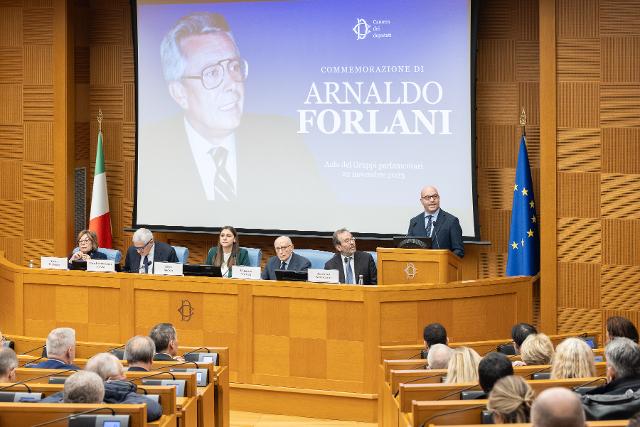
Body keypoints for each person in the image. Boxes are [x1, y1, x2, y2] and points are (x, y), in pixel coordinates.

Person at [140, 12, 328, 225]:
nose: (232, 84)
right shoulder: (153, 147)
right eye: (212, 73)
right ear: (179, 93)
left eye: (234, 67)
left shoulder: (282, 138)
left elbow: (320, 212)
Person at [87, 353, 162, 421]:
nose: (125, 376)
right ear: (110, 380)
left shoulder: (83, 397)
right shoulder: (122, 393)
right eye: (122, 373)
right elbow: (153, 409)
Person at [407, 186, 464, 257]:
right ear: (421, 201)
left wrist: (445, 260)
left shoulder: (451, 221)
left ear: (439, 198)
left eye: (435, 196)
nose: (432, 200)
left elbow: (459, 250)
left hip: (442, 266)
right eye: (427, 197)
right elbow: (408, 248)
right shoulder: (414, 222)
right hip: (419, 266)